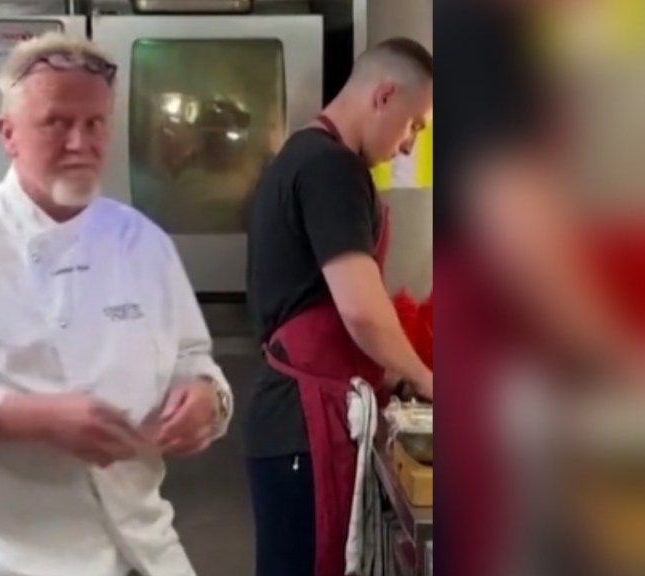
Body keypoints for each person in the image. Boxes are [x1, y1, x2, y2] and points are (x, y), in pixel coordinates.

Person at [0, 32, 233, 576]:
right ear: (8, 134)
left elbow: (192, 358)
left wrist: (206, 398)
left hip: (143, 553)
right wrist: (22, 417)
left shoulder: (144, 243)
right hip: (3, 563)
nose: (80, 142)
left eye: (95, 123)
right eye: (56, 122)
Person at [245, 38, 434, 576]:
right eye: (415, 125)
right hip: (304, 421)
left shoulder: (307, 156)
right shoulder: (330, 168)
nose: (408, 145)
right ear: (384, 95)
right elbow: (361, 309)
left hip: (297, 417)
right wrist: (422, 376)